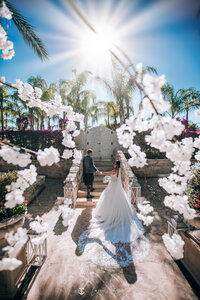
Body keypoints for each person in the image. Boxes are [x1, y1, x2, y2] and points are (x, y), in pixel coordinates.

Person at [77, 160, 150, 267]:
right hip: (115, 187)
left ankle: (110, 215)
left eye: (114, 164)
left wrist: (101, 173)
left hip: (113, 188)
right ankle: (111, 213)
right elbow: (111, 176)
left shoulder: (115, 170)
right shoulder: (118, 170)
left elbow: (109, 173)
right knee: (109, 200)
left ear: (116, 165)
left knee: (107, 198)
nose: (113, 165)